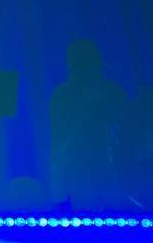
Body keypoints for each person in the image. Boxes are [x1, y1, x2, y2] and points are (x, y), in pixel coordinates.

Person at [49, 38, 129, 209]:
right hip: (74, 165)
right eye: (79, 61)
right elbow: (59, 134)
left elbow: (124, 121)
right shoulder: (63, 95)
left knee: (109, 211)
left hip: (104, 162)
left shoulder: (111, 92)